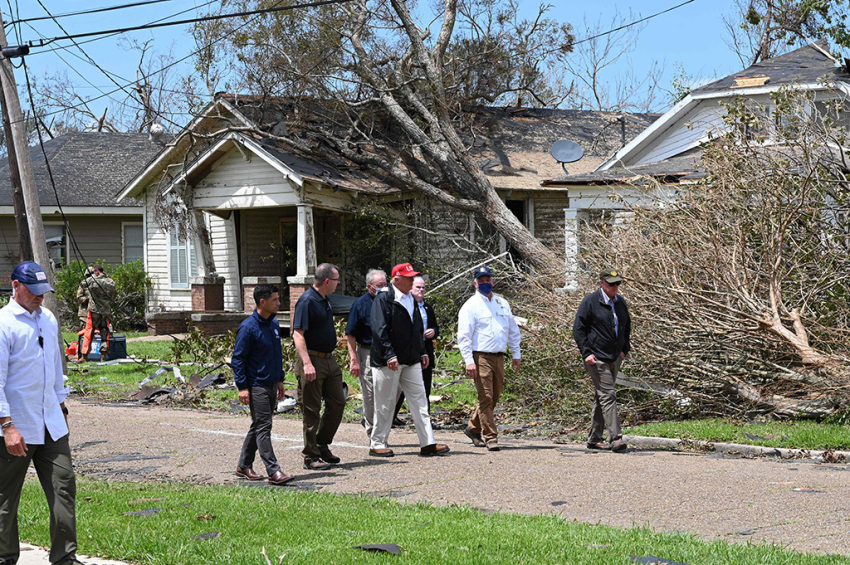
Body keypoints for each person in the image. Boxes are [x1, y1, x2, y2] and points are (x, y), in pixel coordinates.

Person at [0, 261, 81, 565]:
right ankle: (5, 556)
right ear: (15, 286)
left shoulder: (47, 318)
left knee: (64, 488)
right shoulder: (4, 324)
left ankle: (64, 558)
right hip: (16, 425)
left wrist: (62, 409)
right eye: (33, 291)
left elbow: (55, 369)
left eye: (43, 292)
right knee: (6, 497)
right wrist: (7, 426)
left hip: (51, 423)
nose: (39, 297)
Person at [369, 262, 449, 458]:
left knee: (420, 400)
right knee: (385, 403)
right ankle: (377, 443)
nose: (413, 280)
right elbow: (379, 330)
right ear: (396, 279)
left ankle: (428, 443)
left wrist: (421, 351)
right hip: (388, 361)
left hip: (410, 359)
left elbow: (416, 328)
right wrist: (389, 354)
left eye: (413, 277)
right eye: (409, 278)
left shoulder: (411, 299)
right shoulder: (383, 300)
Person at [232, 283, 294, 485]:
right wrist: (242, 387)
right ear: (262, 302)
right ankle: (273, 471)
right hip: (256, 385)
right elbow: (238, 359)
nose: (279, 303)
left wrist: (280, 379)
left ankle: (244, 465)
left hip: (272, 382)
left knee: (259, 425)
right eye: (275, 300)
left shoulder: (274, 324)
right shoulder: (248, 327)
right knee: (264, 426)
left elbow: (276, 355)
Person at [457, 266, 521, 452]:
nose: (485, 283)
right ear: (475, 283)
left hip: (499, 356)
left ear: (493, 281)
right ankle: (491, 437)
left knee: (494, 398)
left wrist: (516, 354)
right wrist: (469, 361)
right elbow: (464, 337)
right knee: (485, 397)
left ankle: (473, 428)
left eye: (488, 280)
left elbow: (512, 331)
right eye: (481, 281)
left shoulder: (502, 303)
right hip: (480, 356)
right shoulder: (470, 306)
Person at [292, 263, 346, 470]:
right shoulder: (307, 301)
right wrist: (307, 363)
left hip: (329, 360)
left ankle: (322, 444)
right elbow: (298, 334)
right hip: (312, 360)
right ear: (326, 281)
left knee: (338, 403)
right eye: (336, 280)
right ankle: (311, 456)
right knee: (311, 409)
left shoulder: (325, 299)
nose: (338, 283)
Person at [573, 268, 632, 453]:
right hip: (596, 358)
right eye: (612, 284)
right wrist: (586, 353)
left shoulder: (620, 302)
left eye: (618, 284)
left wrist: (624, 349)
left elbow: (626, 324)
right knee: (609, 395)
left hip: (614, 357)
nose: (615, 287)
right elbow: (578, 329)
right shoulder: (590, 301)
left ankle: (594, 439)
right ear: (602, 283)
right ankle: (616, 439)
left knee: (602, 397)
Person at [345, 268, 387, 440]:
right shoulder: (360, 305)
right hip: (368, 352)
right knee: (370, 394)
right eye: (379, 285)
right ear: (370, 286)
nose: (383, 288)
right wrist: (354, 359)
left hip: (387, 353)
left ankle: (380, 426)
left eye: (385, 284)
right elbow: (350, 335)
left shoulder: (390, 300)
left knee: (390, 392)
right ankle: (373, 433)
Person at [393, 275, 440, 420]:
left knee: (425, 388)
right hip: (409, 351)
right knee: (400, 388)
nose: (421, 290)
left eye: (423, 287)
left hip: (425, 350)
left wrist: (433, 331)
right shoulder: (406, 305)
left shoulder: (427, 307)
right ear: (411, 289)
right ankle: (391, 416)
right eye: (418, 287)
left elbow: (436, 327)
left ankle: (424, 419)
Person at [80, 265, 116, 360]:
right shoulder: (111, 281)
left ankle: (85, 355)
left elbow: (83, 283)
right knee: (104, 331)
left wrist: (92, 277)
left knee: (89, 331)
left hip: (94, 310)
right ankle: (103, 355)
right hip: (106, 311)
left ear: (96, 271)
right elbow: (113, 295)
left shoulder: (92, 280)